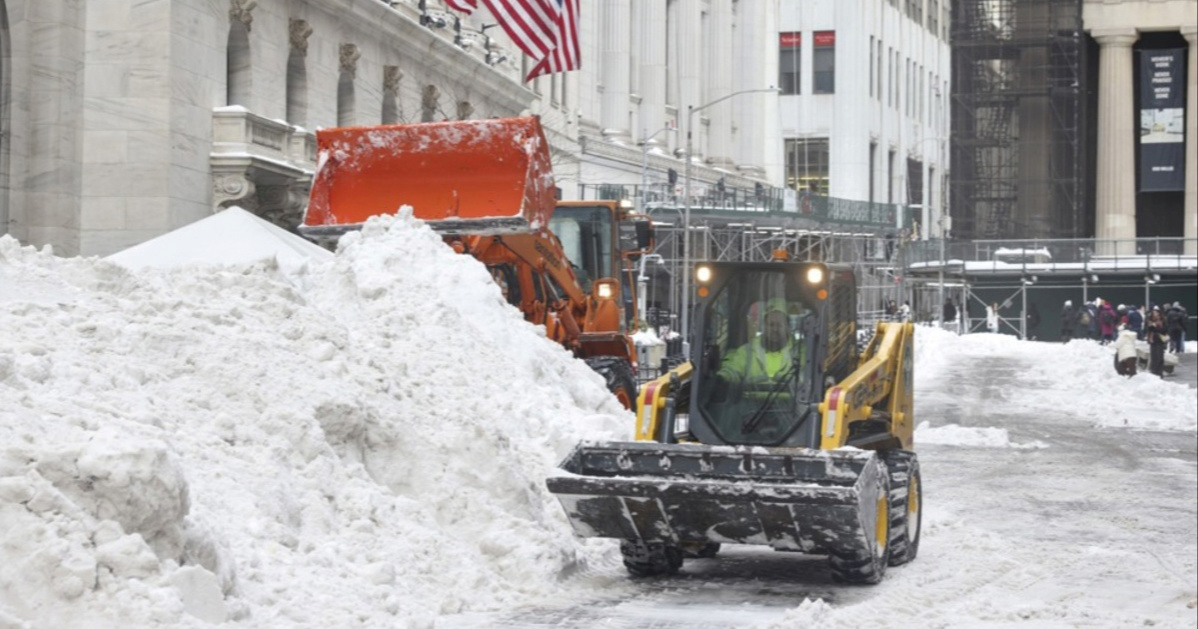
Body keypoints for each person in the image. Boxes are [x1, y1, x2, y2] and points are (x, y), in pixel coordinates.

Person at [718, 299, 803, 389]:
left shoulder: (800, 352)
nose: (775, 329)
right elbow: (733, 370)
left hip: (792, 402)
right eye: (771, 324)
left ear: (787, 327)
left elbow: (807, 375)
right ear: (764, 326)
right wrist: (721, 377)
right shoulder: (747, 351)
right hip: (750, 401)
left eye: (779, 325)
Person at [1145, 307, 1168, 377]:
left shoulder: (1163, 320)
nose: (1154, 314)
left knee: (1160, 357)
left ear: (1159, 313)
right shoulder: (1149, 320)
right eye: (1153, 312)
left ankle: (1159, 372)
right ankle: (1154, 372)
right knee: (1154, 356)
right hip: (1153, 341)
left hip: (1160, 340)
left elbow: (1165, 330)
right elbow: (1147, 329)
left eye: (1156, 312)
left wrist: (1156, 327)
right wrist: (1152, 326)